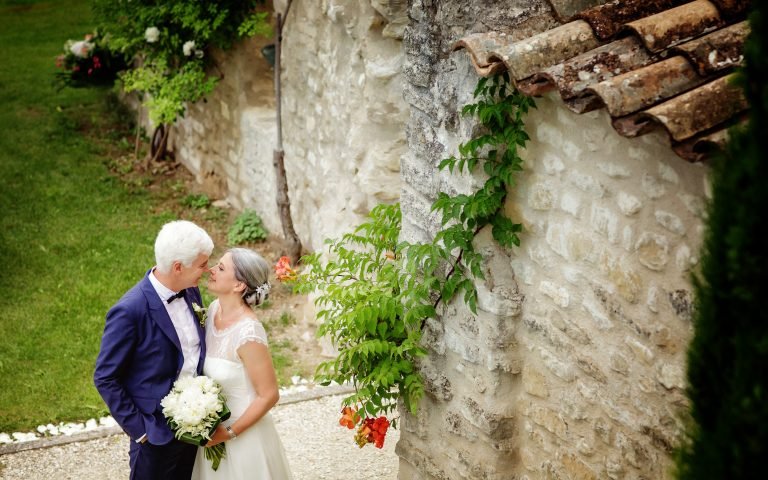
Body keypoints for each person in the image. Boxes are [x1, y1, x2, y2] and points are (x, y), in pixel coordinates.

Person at [94, 220, 214, 480]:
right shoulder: (129, 311)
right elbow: (105, 377)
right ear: (178, 267)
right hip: (156, 434)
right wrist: (142, 431)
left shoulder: (191, 291)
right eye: (203, 264)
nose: (208, 270)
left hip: (194, 424)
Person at [192, 248, 293, 479]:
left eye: (221, 268)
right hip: (210, 432)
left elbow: (269, 395)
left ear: (239, 285)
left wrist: (227, 433)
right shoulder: (215, 309)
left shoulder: (249, 332)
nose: (211, 270)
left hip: (244, 440)